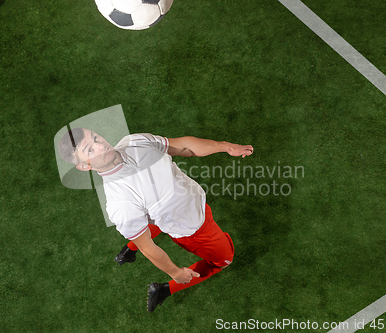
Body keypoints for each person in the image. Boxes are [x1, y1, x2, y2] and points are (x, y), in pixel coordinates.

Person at [58, 128, 253, 312]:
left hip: (189, 207)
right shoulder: (120, 203)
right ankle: (162, 290)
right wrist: (176, 273)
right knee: (223, 260)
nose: (101, 146)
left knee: (151, 218)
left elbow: (184, 146)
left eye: (95, 138)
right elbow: (148, 247)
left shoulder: (134, 141)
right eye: (90, 150)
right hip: (194, 230)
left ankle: (127, 251)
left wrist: (225, 146)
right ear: (84, 166)